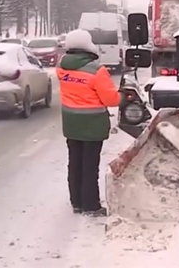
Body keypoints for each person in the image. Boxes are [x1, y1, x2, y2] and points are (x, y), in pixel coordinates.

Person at [56, 29, 121, 217]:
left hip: (71, 122)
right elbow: (111, 100)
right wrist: (124, 97)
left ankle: (76, 202)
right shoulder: (96, 70)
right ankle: (91, 205)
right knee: (90, 165)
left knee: (74, 162)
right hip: (92, 124)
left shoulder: (61, 66)